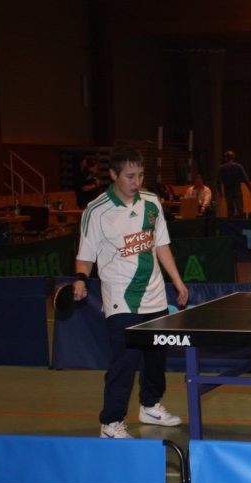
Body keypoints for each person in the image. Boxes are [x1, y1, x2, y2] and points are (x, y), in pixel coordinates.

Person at [72, 147, 189, 439]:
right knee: (125, 360)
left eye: (140, 175)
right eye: (130, 176)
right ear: (113, 175)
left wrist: (177, 281)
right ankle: (111, 422)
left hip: (155, 294)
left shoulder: (152, 202)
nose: (137, 181)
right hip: (121, 297)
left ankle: (150, 405)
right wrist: (81, 279)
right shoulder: (96, 211)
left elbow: (160, 244)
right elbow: (85, 256)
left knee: (156, 358)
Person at [216, 150, 251, 218]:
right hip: (237, 190)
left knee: (230, 211)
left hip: (228, 191)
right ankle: (241, 223)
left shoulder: (222, 168)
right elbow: (246, 179)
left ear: (226, 158)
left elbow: (218, 181)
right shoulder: (239, 166)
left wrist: (220, 193)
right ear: (233, 158)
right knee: (240, 210)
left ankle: (231, 224)